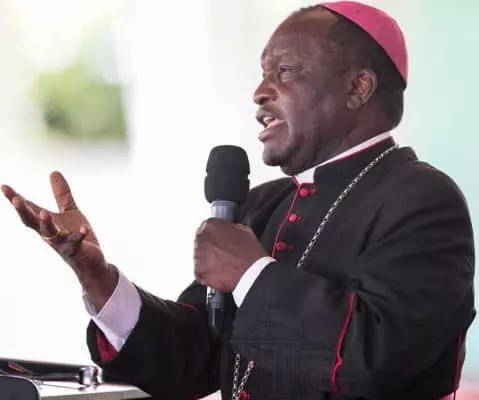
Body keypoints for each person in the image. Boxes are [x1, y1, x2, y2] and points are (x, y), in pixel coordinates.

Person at [2, 2, 475, 399]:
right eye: (263, 74)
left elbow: (375, 361)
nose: (260, 93)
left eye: (284, 72)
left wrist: (251, 275)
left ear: (358, 87)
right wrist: (98, 277)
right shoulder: (263, 205)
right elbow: (193, 361)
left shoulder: (423, 200)